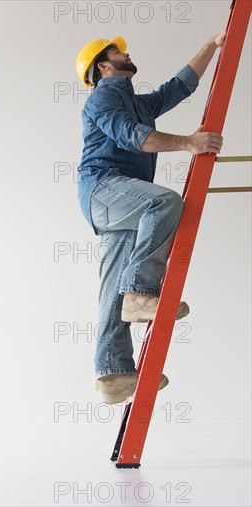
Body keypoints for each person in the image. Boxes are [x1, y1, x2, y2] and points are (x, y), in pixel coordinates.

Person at [75, 32, 225, 404]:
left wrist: (211, 44)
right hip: (105, 190)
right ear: (104, 67)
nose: (126, 51)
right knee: (166, 203)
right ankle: (141, 290)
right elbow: (132, 137)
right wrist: (189, 143)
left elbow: (179, 87)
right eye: (116, 51)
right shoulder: (106, 95)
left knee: (113, 292)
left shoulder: (137, 103)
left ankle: (112, 373)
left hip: (118, 201)